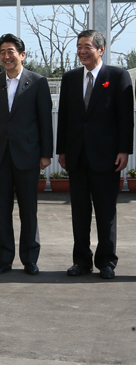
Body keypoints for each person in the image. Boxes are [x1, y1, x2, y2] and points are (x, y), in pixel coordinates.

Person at [56, 30, 134, 279]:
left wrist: (124, 150)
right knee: (79, 211)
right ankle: (81, 261)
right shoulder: (69, 78)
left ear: (101, 49)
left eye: (87, 46)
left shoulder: (117, 76)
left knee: (106, 211)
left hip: (107, 156)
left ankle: (107, 262)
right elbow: (65, 117)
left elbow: (125, 118)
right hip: (77, 156)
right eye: (79, 46)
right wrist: (62, 150)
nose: (82, 51)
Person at [0, 34, 53, 275]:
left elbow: (45, 121)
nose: (6, 56)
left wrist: (45, 153)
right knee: (2, 210)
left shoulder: (38, 82)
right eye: (2, 52)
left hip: (28, 155)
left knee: (28, 210)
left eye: (11, 51)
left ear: (22, 54)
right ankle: (4, 258)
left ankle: (30, 258)